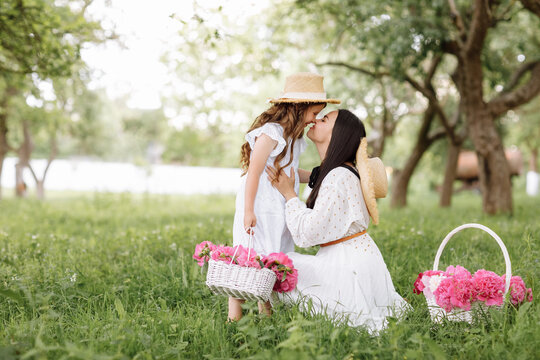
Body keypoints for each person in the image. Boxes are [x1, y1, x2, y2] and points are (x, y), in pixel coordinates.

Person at [266, 109, 409, 334]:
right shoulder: (336, 172)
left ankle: (269, 321)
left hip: (345, 266)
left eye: (324, 120)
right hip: (356, 257)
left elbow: (307, 234)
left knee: (278, 267)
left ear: (338, 135)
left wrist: (290, 196)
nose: (315, 120)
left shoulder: (337, 178)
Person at [229, 72, 340, 321]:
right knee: (250, 253)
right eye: (314, 113)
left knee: (273, 255)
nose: (315, 120)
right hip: (259, 204)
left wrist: (317, 174)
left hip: (278, 206)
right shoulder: (270, 133)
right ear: (299, 109)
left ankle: (265, 312)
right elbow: (254, 172)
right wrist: (248, 210)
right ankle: (233, 315)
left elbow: (289, 172)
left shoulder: (294, 139)